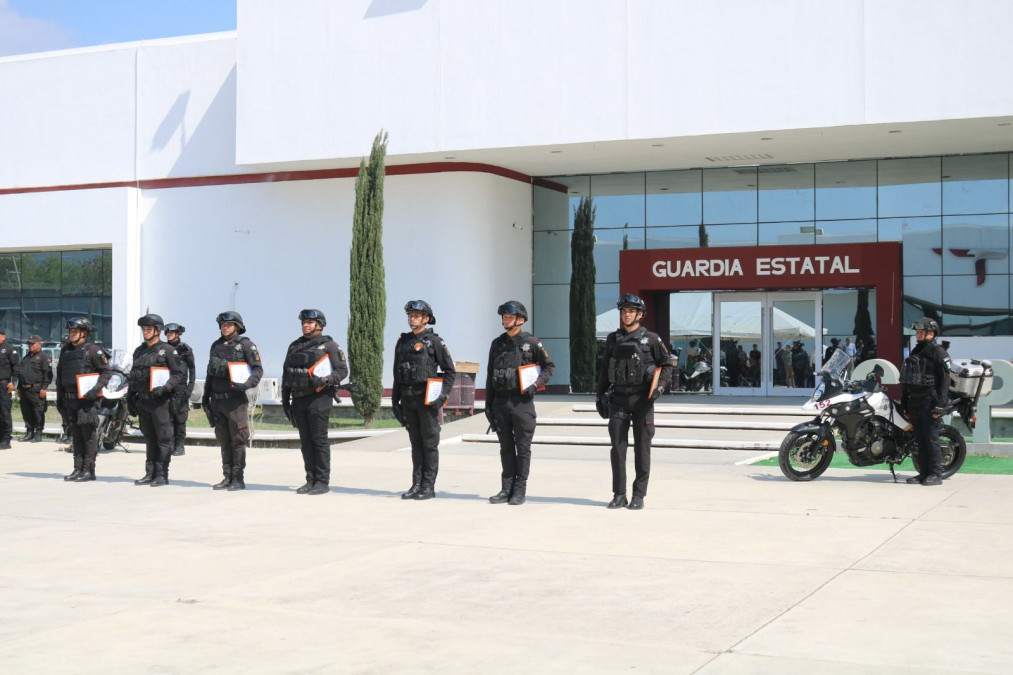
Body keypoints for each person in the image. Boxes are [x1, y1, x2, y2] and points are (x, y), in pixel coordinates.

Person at [595, 294, 672, 510]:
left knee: (642, 449)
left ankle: (639, 495)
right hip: (618, 399)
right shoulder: (612, 339)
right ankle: (619, 494)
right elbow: (604, 369)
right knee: (618, 450)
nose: (626, 315)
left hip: (642, 401)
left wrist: (659, 388)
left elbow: (667, 366)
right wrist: (599, 396)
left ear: (640, 314)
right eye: (623, 311)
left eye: (631, 311)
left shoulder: (652, 339)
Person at [484, 300, 554, 506]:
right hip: (500, 403)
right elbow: (490, 375)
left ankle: (519, 490)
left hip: (522, 404)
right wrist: (488, 405)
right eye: (504, 317)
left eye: (509, 317)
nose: (505, 320)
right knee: (505, 448)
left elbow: (549, 367)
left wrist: (535, 385)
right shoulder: (497, 344)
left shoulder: (532, 342)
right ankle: (506, 489)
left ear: (521, 320)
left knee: (522, 449)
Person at [391, 300, 456, 500]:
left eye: (416, 316)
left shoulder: (434, 342)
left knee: (429, 443)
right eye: (410, 315)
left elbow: (450, 371)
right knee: (415, 443)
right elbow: (396, 374)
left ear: (426, 318)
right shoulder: (403, 342)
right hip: (408, 399)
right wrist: (395, 402)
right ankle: (416, 484)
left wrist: (443, 396)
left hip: (427, 399)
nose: (412, 319)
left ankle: (428, 486)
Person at [281, 309, 348, 495]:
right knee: (306, 442)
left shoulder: (329, 345)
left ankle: (322, 482)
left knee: (319, 441)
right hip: (299, 399)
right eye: (303, 322)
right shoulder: (294, 346)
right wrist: (285, 400)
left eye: (309, 322)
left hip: (319, 398)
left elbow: (342, 370)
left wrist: (327, 379)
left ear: (320, 325)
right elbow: (287, 373)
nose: (305, 325)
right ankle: (310, 480)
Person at [201, 311, 263, 491]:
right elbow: (210, 373)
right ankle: (227, 476)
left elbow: (257, 370)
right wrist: (205, 396)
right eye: (222, 325)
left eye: (228, 324)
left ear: (237, 326)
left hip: (235, 401)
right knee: (224, 440)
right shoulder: (216, 345)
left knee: (237, 440)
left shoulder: (246, 346)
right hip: (217, 401)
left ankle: (237, 478)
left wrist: (246, 384)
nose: (225, 327)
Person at [128, 314, 186, 487]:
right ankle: (149, 473)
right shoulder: (139, 351)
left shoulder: (168, 350)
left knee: (163, 438)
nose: (145, 332)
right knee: (149, 438)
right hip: (143, 400)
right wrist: (130, 396)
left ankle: (161, 474)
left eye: (148, 329)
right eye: (143, 329)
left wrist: (166, 387)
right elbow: (134, 375)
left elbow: (178, 373)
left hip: (160, 401)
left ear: (157, 331)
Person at [57, 317, 111, 481]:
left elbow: (106, 372)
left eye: (75, 331)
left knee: (88, 436)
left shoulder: (93, 350)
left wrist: (95, 391)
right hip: (70, 400)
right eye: (71, 331)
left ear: (84, 333)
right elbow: (60, 375)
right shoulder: (65, 351)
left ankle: (88, 470)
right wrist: (60, 399)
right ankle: (77, 469)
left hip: (87, 401)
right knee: (76, 436)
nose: (72, 334)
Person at [901, 318, 951, 486]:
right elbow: (908, 379)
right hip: (915, 400)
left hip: (930, 400)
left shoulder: (938, 352)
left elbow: (945, 380)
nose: (917, 335)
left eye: (921, 332)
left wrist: (940, 404)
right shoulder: (916, 351)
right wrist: (904, 402)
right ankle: (923, 473)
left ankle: (936, 474)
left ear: (931, 333)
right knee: (920, 439)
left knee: (931, 438)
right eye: (917, 332)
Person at [164, 323, 196, 456]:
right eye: (167, 333)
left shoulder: (184, 348)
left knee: (180, 417)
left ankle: (179, 445)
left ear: (177, 334)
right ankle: (169, 444)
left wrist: (190, 386)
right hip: (166, 386)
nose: (169, 335)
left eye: (172, 333)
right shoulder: (163, 348)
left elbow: (192, 368)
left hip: (181, 387)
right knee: (167, 417)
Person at [17, 334, 52, 443]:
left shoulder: (44, 357)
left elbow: (48, 374)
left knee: (38, 411)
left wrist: (44, 388)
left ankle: (38, 433)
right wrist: (19, 388)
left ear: (39, 344)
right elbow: (21, 374)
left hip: (36, 389)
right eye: (29, 343)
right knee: (26, 411)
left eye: (33, 343)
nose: (30, 345)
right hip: (25, 389)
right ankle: (29, 432)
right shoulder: (25, 358)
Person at [0, 329, 21, 449]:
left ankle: (6, 439)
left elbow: (16, 366)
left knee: (4, 412)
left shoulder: (9, 349)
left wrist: (13, 382)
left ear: (3, 336)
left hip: (4, 384)